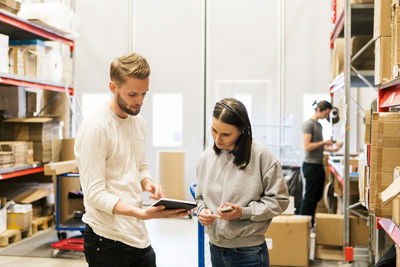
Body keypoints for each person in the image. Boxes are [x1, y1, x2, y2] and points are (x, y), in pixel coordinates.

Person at [74, 52, 190, 267]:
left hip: (138, 236)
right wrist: (141, 213)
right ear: (113, 87)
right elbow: (95, 194)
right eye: (133, 94)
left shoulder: (138, 122)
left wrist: (149, 184)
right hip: (106, 240)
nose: (139, 101)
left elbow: (140, 166)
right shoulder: (96, 129)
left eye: (144, 94)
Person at [195, 98, 289, 267]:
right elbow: (200, 197)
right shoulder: (206, 158)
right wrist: (203, 212)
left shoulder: (262, 157)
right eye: (214, 130)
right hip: (216, 248)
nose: (217, 139)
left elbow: (279, 201)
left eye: (226, 134)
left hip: (248, 253)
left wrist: (243, 213)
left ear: (242, 131)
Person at [299, 100, 343, 226]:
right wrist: (325, 143)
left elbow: (320, 147)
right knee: (310, 197)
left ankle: (310, 221)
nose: (326, 117)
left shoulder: (319, 126)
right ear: (319, 110)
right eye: (326, 114)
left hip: (318, 165)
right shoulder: (308, 125)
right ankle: (303, 223)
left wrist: (334, 148)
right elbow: (307, 146)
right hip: (310, 165)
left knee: (317, 196)